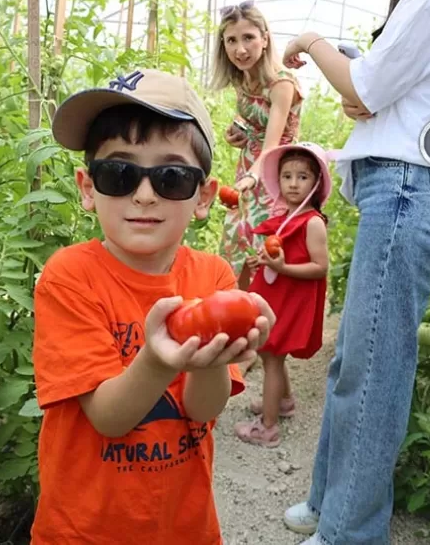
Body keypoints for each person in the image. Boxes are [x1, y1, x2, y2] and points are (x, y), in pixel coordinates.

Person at [278, 0, 430, 543]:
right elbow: (375, 90)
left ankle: (351, 532)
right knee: (357, 362)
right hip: (401, 187)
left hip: (408, 187)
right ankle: (330, 505)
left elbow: (366, 87)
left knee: (373, 367)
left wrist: (311, 43)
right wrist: (357, 83)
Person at [31, 68, 276, 544]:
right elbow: (108, 417)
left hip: (183, 527)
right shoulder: (69, 278)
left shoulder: (213, 279)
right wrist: (157, 359)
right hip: (83, 531)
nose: (143, 194)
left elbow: (202, 411)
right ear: (87, 187)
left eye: (170, 177)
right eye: (118, 173)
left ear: (203, 196)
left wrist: (213, 358)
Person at [233, 142, 331, 448]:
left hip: (291, 300)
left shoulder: (312, 222)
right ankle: (283, 401)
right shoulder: (287, 217)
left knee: (273, 357)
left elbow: (320, 268)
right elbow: (279, 256)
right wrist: (260, 262)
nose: (292, 183)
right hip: (280, 295)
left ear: (315, 183)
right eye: (287, 176)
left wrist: (283, 267)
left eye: (302, 177)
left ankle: (268, 428)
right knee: (270, 352)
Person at [210, 0, 304, 292]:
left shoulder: (282, 83)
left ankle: (267, 317)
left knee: (265, 241)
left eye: (249, 38)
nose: (240, 49)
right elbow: (254, 124)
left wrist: (253, 175)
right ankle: (236, 309)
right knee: (236, 238)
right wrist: (236, 133)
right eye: (232, 41)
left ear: (265, 39)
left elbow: (272, 145)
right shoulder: (243, 81)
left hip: (276, 172)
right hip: (249, 170)